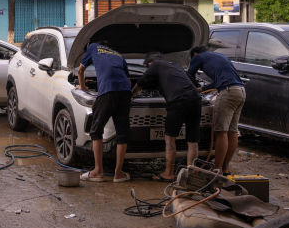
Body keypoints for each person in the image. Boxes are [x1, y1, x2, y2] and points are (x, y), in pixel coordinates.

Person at [132, 52, 201, 182]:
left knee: (170, 137)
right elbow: (194, 83)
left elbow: (141, 82)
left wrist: (131, 94)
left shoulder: (156, 64)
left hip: (179, 101)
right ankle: (192, 175)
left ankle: (168, 173)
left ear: (150, 64)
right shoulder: (176, 66)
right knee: (193, 139)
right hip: (196, 100)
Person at [77, 40, 131, 183]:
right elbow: (128, 80)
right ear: (110, 47)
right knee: (122, 133)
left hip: (108, 89)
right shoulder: (118, 55)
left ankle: (98, 172)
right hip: (125, 91)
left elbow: (80, 70)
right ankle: (118, 174)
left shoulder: (93, 47)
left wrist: (83, 87)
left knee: (96, 131)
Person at [188, 45, 246, 175]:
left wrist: (189, 89)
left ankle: (217, 169)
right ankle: (224, 168)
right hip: (240, 91)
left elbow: (188, 76)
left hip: (228, 92)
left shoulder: (198, 57)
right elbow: (217, 81)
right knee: (232, 131)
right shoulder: (221, 56)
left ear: (195, 54)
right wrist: (201, 89)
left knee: (221, 131)